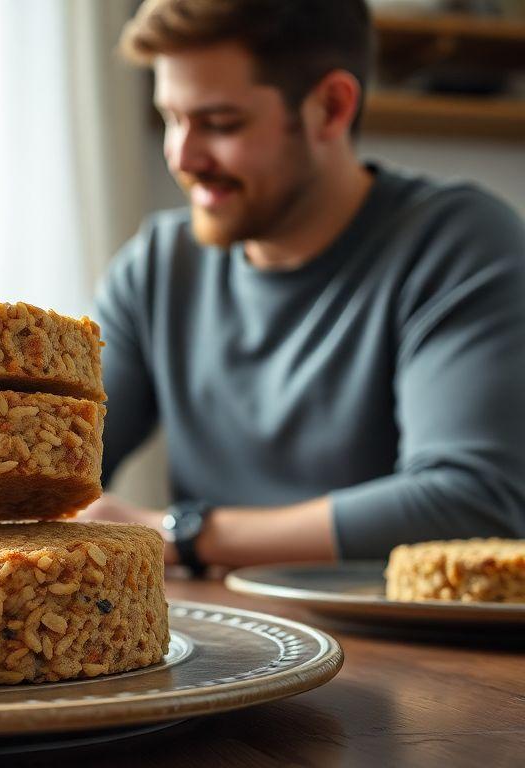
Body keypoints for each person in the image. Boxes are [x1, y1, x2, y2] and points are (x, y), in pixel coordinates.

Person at [82, 0, 525, 570]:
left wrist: (182, 535)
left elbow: (474, 503)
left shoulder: (458, 243)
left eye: (221, 123)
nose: (182, 157)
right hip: (221, 623)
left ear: (330, 108)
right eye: (171, 118)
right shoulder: (157, 267)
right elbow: (56, 464)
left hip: (391, 626)